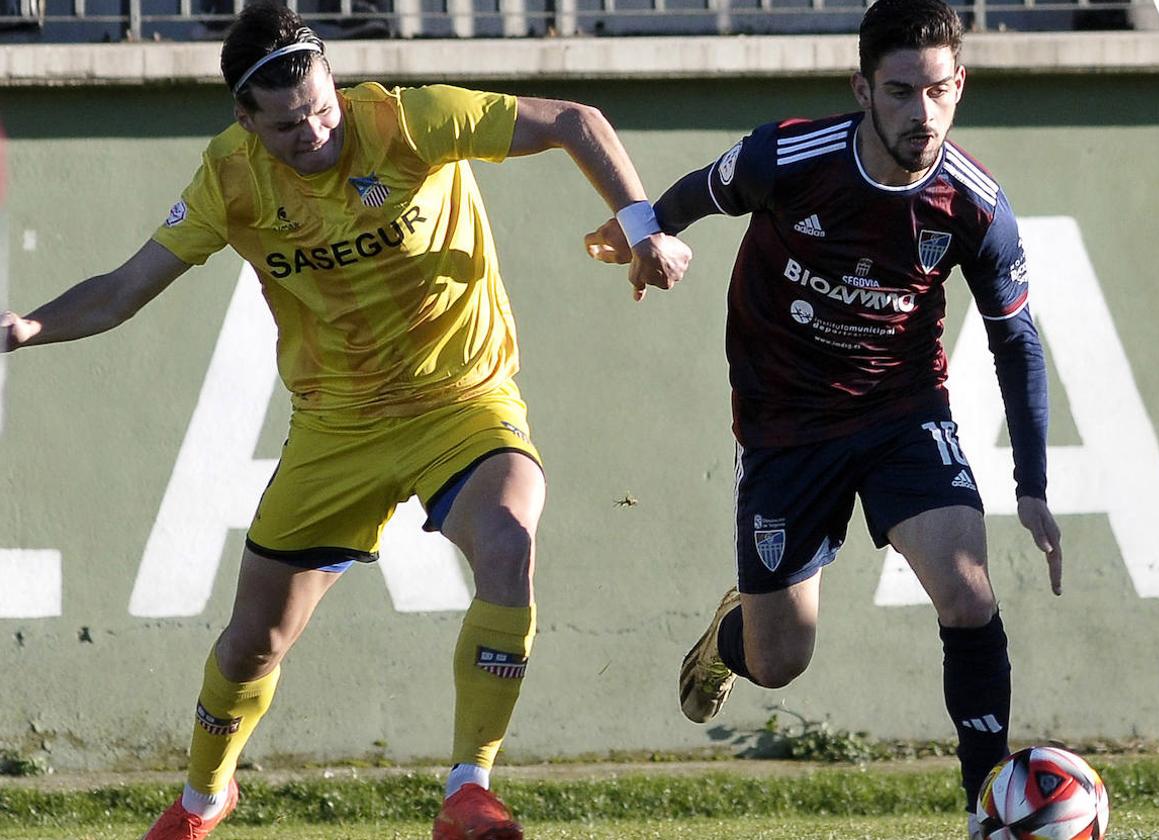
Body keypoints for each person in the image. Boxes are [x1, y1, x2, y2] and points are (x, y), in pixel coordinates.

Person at [0, 4, 691, 839]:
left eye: (324, 108)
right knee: (253, 644)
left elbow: (575, 122)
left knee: (509, 540)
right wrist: (27, 328)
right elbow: (119, 291)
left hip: (461, 403)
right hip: (337, 429)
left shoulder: (409, 119)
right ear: (245, 120)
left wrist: (644, 224)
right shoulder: (230, 179)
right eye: (289, 125)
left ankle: (469, 790)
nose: (317, 133)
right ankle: (201, 799)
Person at [585, 1, 1060, 837]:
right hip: (784, 424)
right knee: (780, 661)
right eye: (902, 92)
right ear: (863, 90)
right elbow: (696, 194)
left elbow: (1015, 339)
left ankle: (987, 803)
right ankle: (726, 637)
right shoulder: (788, 155)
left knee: (967, 593)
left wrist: (1033, 486)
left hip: (900, 409)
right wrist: (647, 240)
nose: (923, 114)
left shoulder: (976, 206)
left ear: (961, 86)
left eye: (940, 92)